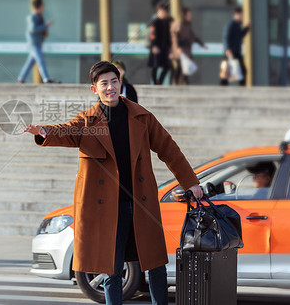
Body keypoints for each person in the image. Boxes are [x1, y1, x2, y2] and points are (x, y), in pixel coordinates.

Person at [24, 61, 203, 305]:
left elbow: (169, 149)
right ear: (94, 89)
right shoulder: (87, 122)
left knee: (156, 266)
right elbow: (67, 131)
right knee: (111, 269)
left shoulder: (142, 116)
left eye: (114, 81)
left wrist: (190, 182)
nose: (110, 88)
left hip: (141, 203)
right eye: (104, 83)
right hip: (107, 209)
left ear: (121, 83)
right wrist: (43, 131)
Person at [18, 0, 55, 84]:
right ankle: (46, 78)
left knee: (30, 63)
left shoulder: (39, 16)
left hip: (37, 43)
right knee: (40, 60)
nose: (44, 8)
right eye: (42, 6)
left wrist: (44, 32)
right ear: (40, 6)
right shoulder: (32, 17)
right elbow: (33, 29)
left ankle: (21, 78)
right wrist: (46, 26)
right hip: (33, 44)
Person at [170, 8, 207, 85]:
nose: (190, 17)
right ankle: (178, 82)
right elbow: (175, 37)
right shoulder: (179, 24)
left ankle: (181, 82)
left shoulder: (187, 25)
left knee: (183, 67)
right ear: (184, 15)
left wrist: (202, 44)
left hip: (186, 50)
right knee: (181, 67)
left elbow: (193, 36)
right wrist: (177, 48)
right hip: (180, 50)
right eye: (189, 15)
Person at [221, 7, 250, 86]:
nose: (242, 17)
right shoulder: (230, 24)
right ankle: (222, 88)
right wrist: (227, 49)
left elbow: (240, 35)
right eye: (241, 15)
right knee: (226, 72)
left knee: (242, 71)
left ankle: (242, 87)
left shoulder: (237, 25)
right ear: (236, 14)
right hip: (230, 52)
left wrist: (247, 28)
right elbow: (226, 36)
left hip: (236, 52)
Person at [148, 4, 172, 85]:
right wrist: (154, 46)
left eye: (164, 12)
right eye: (161, 12)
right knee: (155, 66)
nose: (163, 13)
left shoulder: (168, 22)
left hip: (165, 48)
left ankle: (160, 81)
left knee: (167, 66)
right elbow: (152, 35)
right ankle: (155, 83)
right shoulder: (155, 22)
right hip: (156, 47)